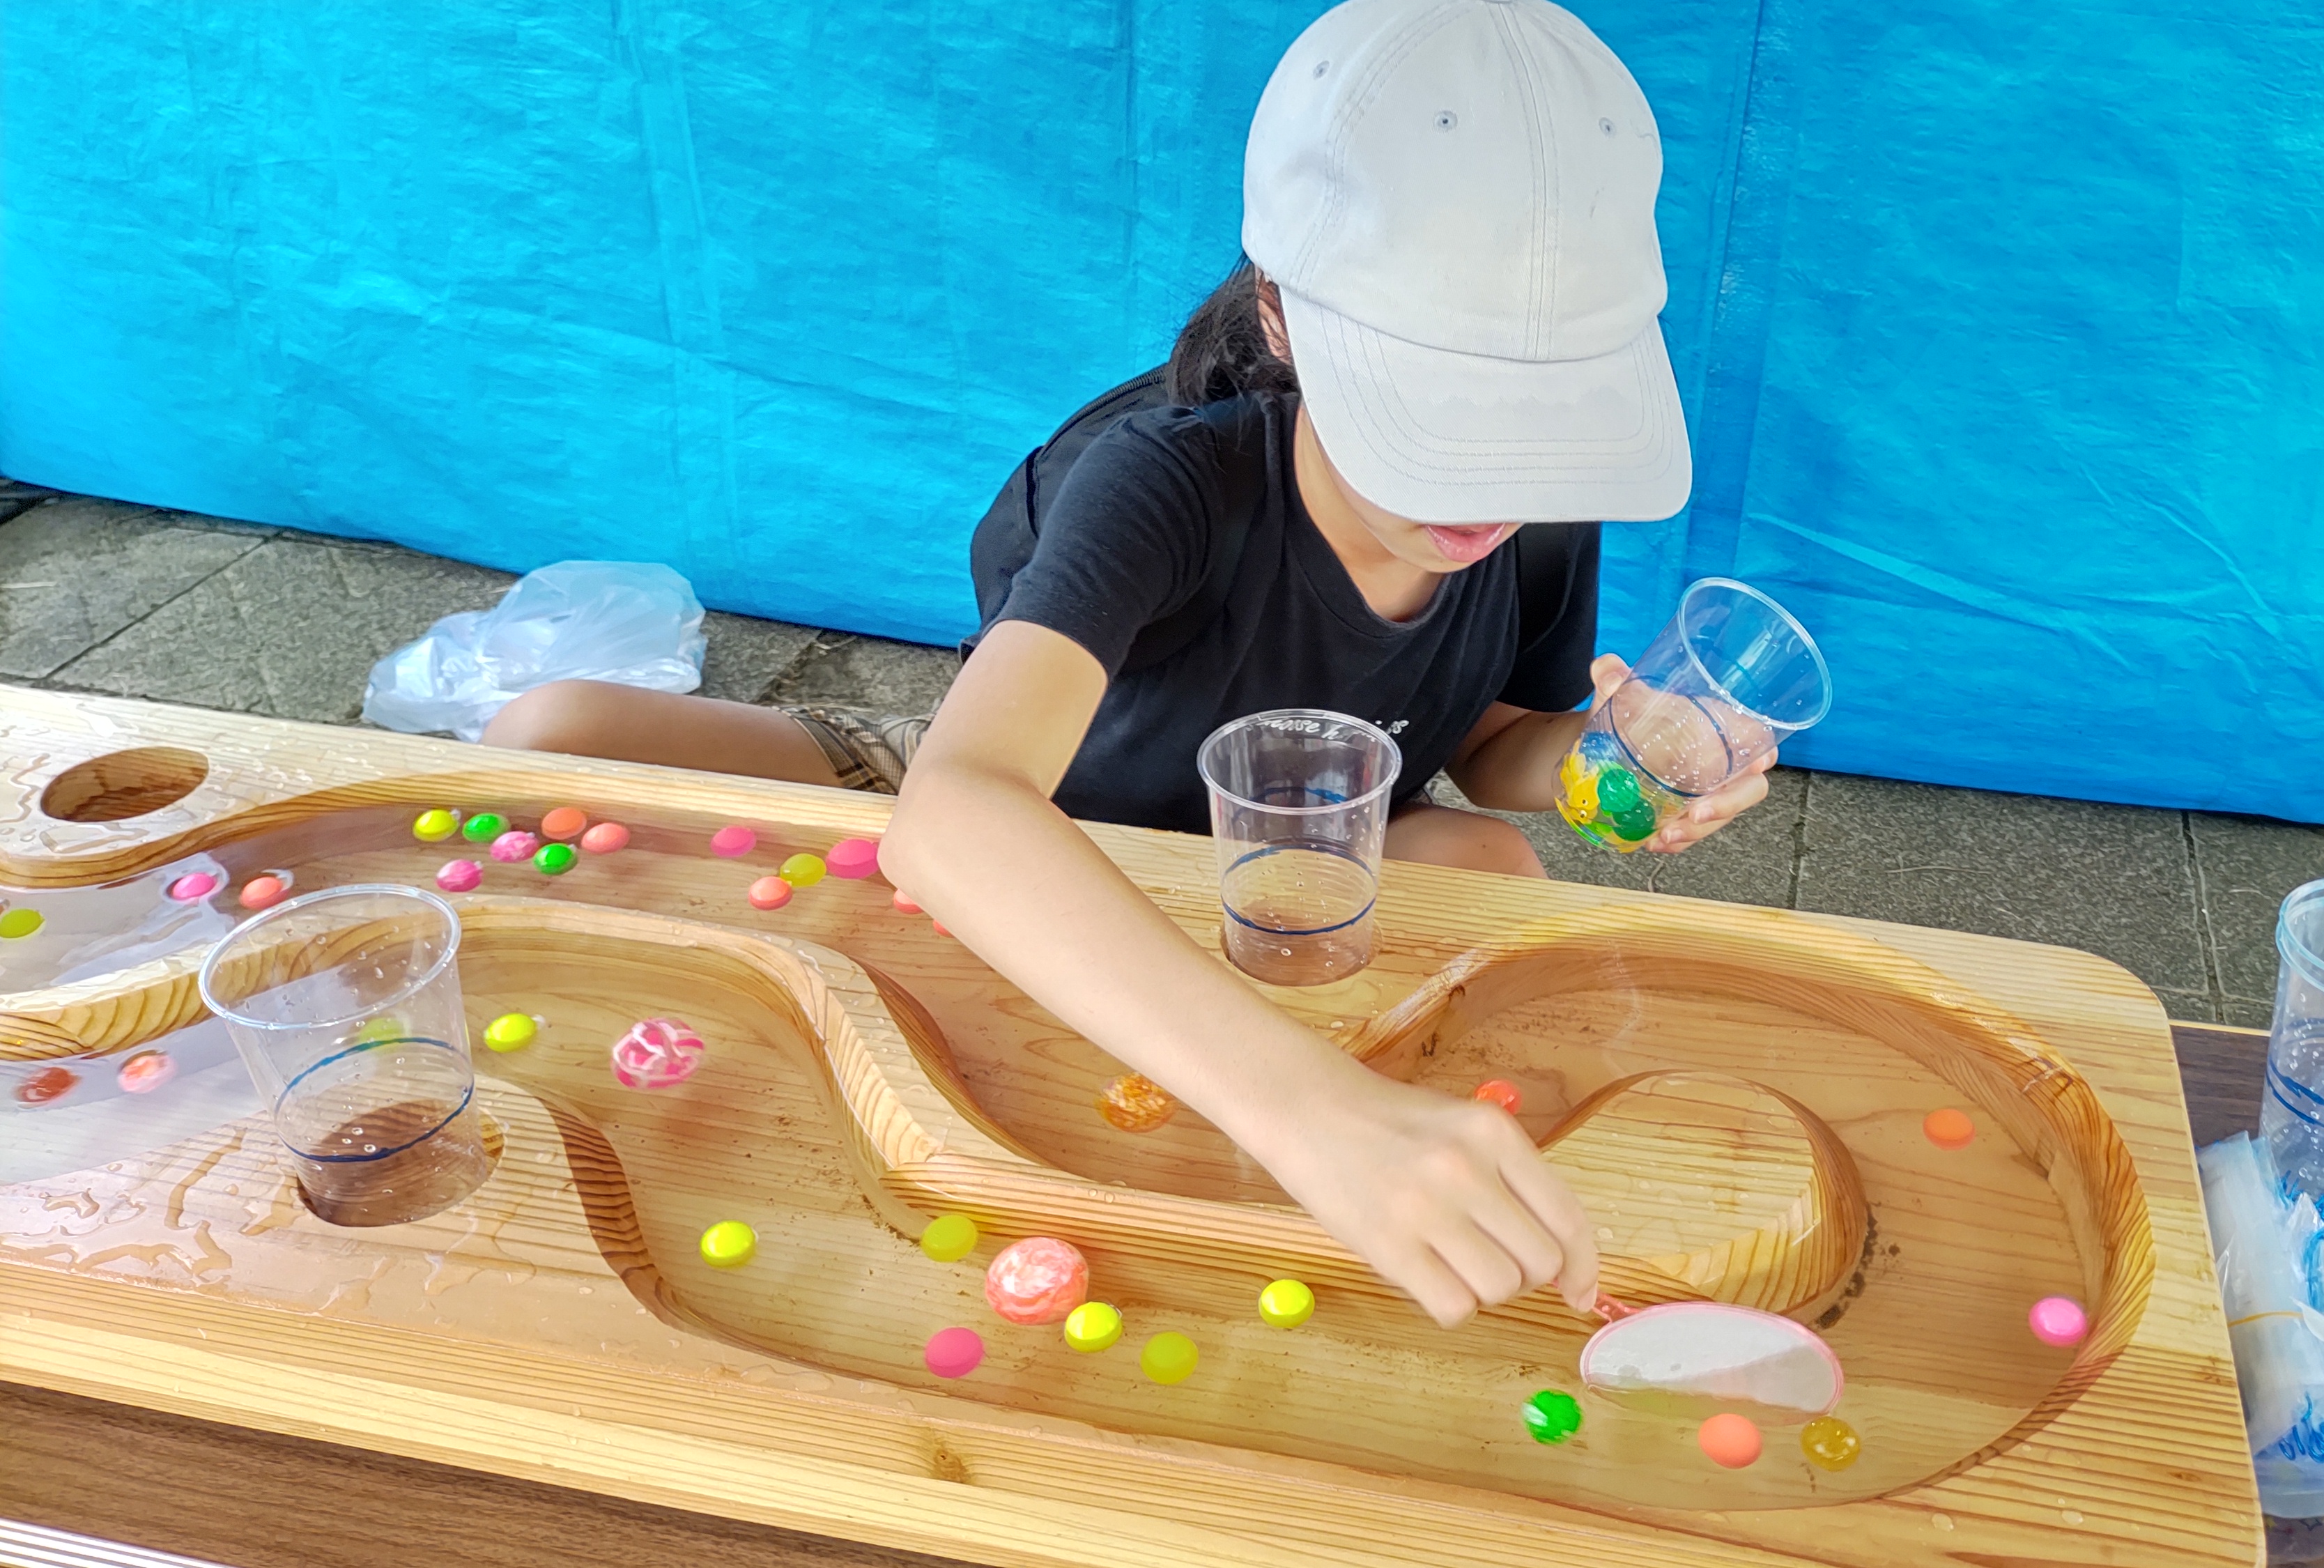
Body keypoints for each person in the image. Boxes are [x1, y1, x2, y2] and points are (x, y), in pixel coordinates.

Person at [479, 0, 1777, 1325]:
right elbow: (958, 806)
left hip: (1294, 870)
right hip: (1053, 813)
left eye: (1539, 423)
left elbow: (1496, 748)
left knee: (1491, 863)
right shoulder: (1162, 478)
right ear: (1281, 316)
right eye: (1441, 419)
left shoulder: (1537, 516)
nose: (1490, 486)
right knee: (549, 733)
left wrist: (1612, 761)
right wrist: (1313, 1112)